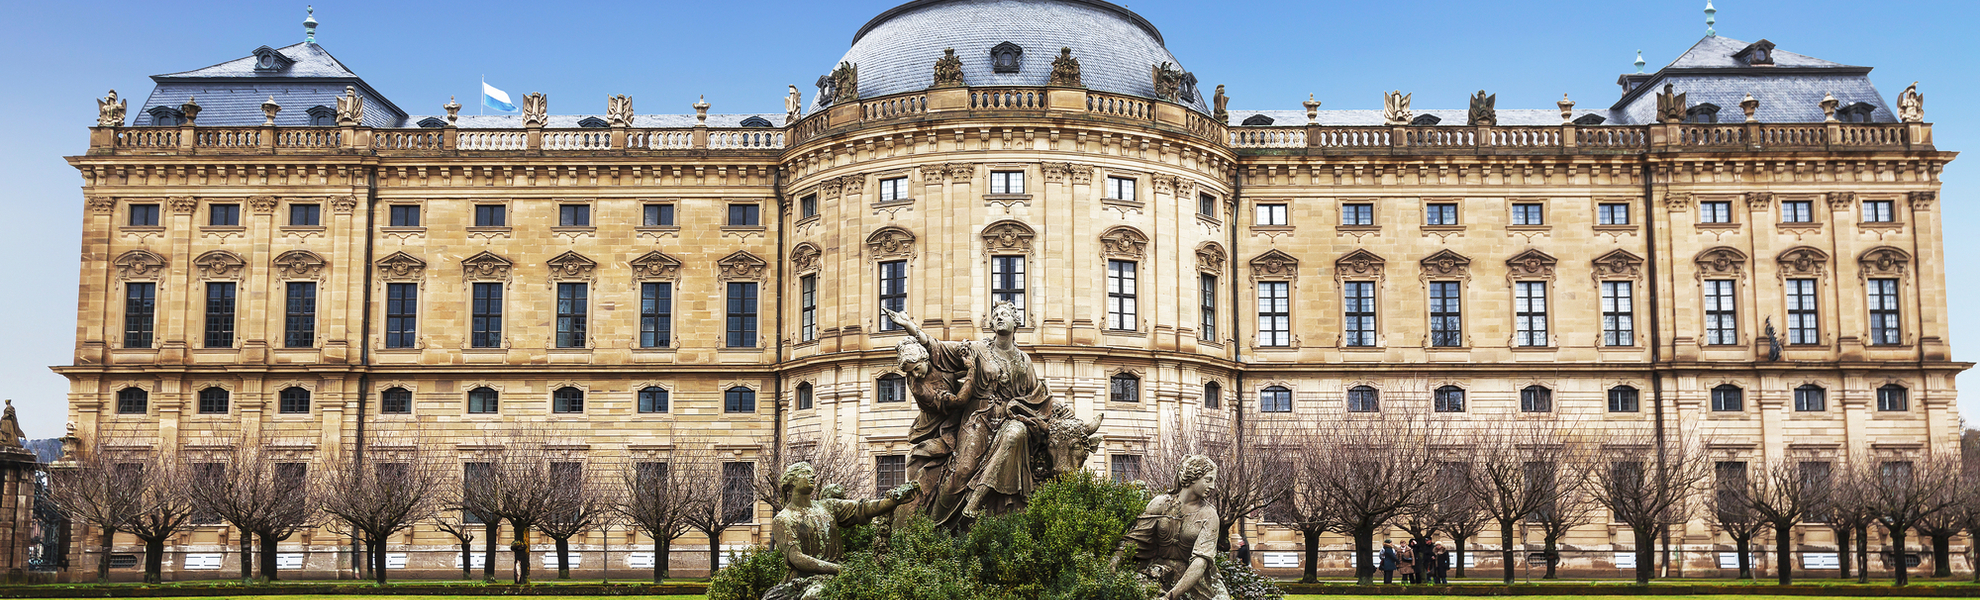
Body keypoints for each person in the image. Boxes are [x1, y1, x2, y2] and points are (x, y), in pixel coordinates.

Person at [764, 462, 918, 600]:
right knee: (816, 595)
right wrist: (838, 569)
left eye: (812, 472)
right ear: (791, 482)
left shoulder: (828, 506)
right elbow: (796, 558)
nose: (812, 475)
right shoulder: (783, 519)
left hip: (838, 576)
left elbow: (863, 508)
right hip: (803, 581)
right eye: (805, 473)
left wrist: (892, 500)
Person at [1112, 454, 1230, 600]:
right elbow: (1135, 539)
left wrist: (1170, 597)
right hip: (1158, 573)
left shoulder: (1209, 515)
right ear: (1193, 476)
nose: (1212, 486)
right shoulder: (1160, 504)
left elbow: (1200, 563)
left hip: (1196, 581)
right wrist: (1115, 560)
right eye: (1208, 480)